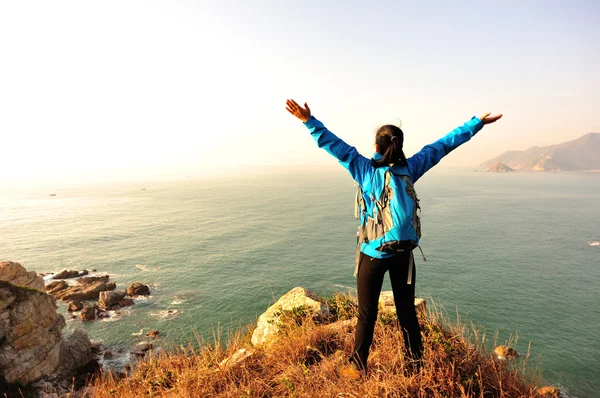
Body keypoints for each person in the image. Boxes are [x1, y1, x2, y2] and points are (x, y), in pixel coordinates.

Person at [285, 99, 502, 379]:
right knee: (407, 315)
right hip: (403, 254)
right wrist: (476, 123)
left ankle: (357, 366)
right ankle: (415, 367)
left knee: (367, 314)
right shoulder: (409, 169)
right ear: (399, 146)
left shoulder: (363, 169)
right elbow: (442, 146)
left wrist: (308, 121)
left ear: (376, 147)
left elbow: (333, 144)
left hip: (373, 254)